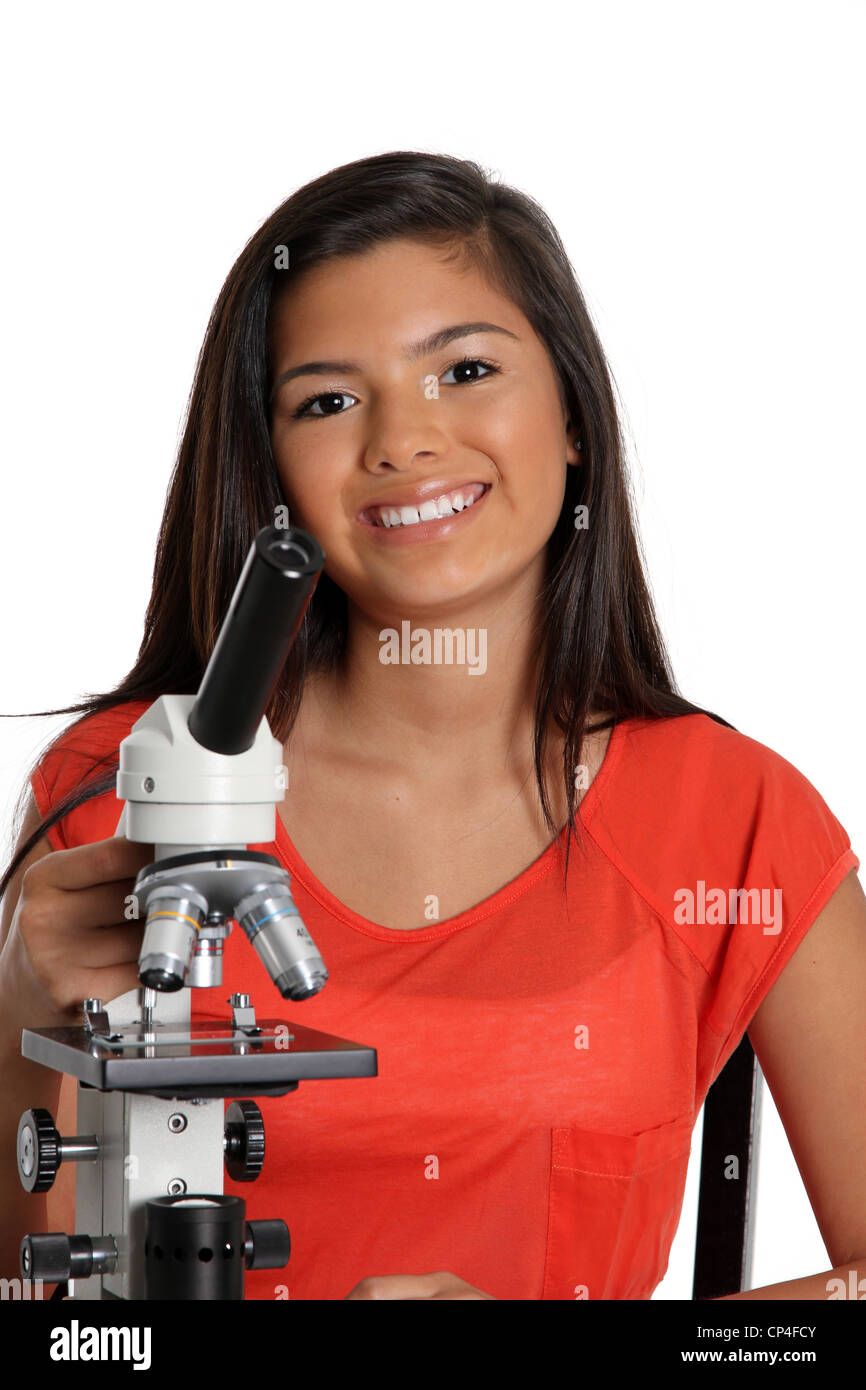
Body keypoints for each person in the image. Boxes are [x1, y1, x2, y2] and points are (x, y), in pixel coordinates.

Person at [1, 151, 864, 1302]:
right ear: (274, 478)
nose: (401, 441)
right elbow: (37, 1301)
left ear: (572, 419)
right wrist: (11, 1009)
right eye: (327, 399)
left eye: (462, 369)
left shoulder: (734, 820)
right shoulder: (119, 786)